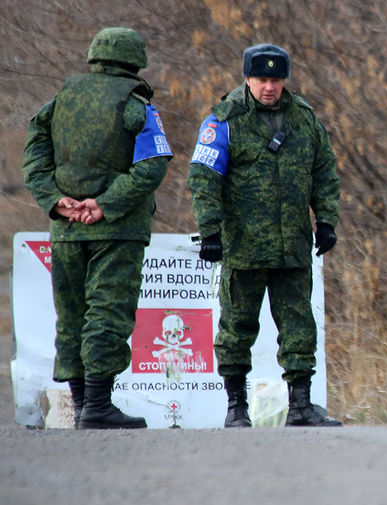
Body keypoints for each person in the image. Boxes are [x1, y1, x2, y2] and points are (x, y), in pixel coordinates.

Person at [22, 27, 171, 429]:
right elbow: (153, 164)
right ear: (135, 61)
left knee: (71, 315)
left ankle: (83, 403)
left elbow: (34, 150)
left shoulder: (61, 99)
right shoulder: (135, 104)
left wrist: (54, 198)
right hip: (116, 230)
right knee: (107, 311)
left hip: (66, 228)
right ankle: (99, 406)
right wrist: (105, 204)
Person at [188, 43, 342, 428]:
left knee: (299, 327)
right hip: (244, 246)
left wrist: (326, 220)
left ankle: (302, 406)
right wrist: (210, 231)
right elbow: (204, 179)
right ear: (247, 79)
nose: (269, 87)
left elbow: (324, 172)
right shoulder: (224, 119)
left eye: (275, 79)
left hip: (292, 245)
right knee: (236, 328)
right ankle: (236, 407)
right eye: (261, 80)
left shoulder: (304, 119)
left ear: (284, 80)